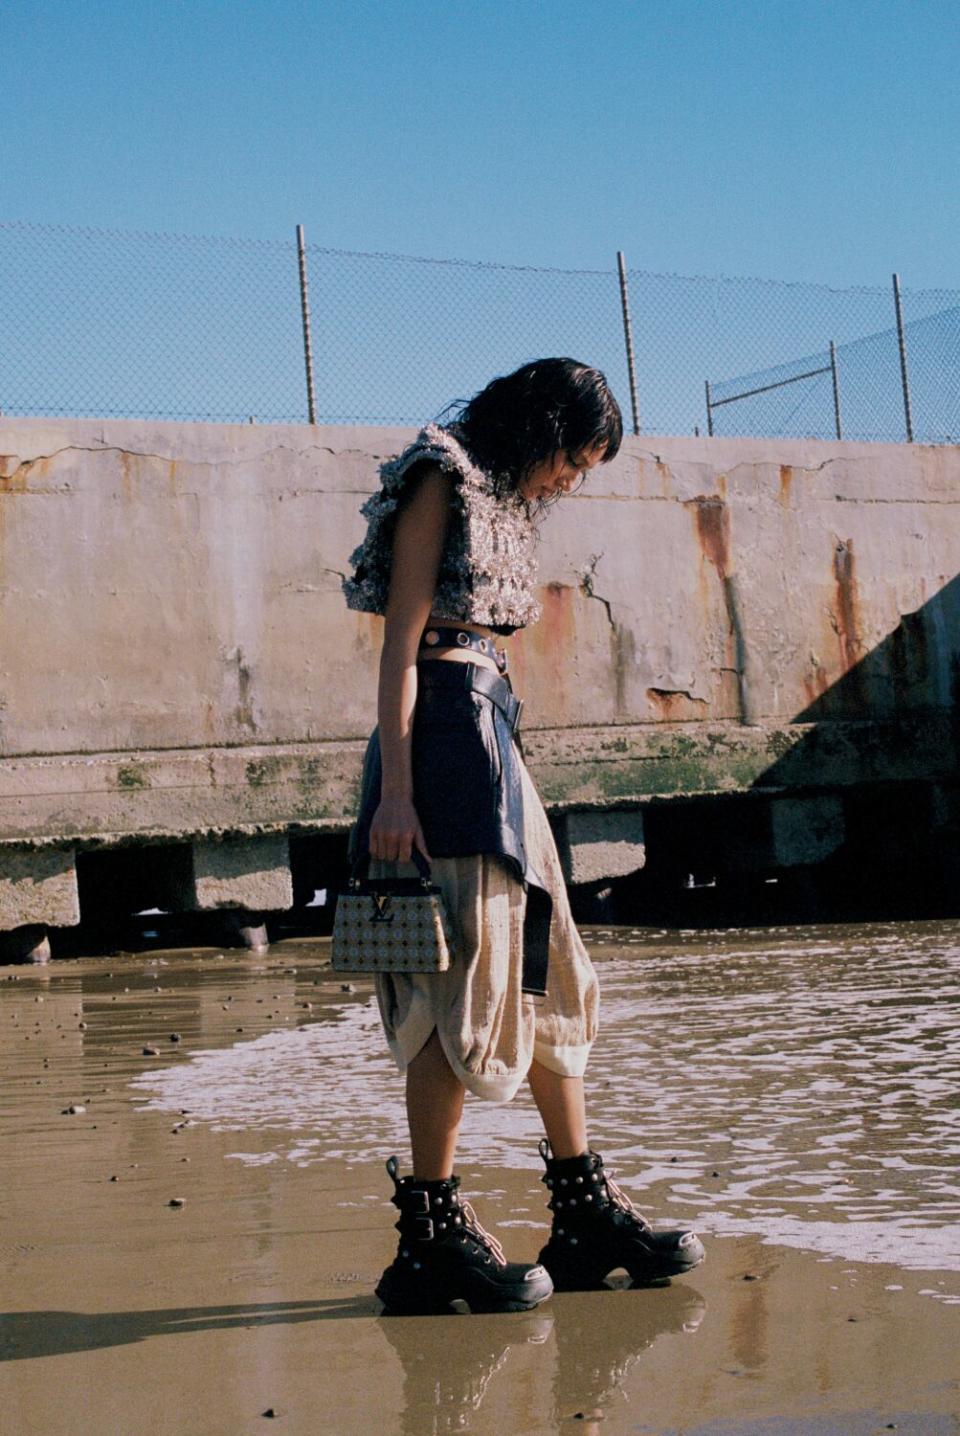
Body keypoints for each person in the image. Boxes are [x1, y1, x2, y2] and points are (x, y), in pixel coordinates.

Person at [343, 357, 704, 1315]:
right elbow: (402, 642)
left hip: (493, 735)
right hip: (444, 748)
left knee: (545, 969)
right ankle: (430, 1235)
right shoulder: (443, 475)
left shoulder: (504, 493)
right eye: (575, 460)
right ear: (543, 426)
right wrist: (398, 795)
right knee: (456, 980)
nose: (571, 482)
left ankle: (582, 1207)